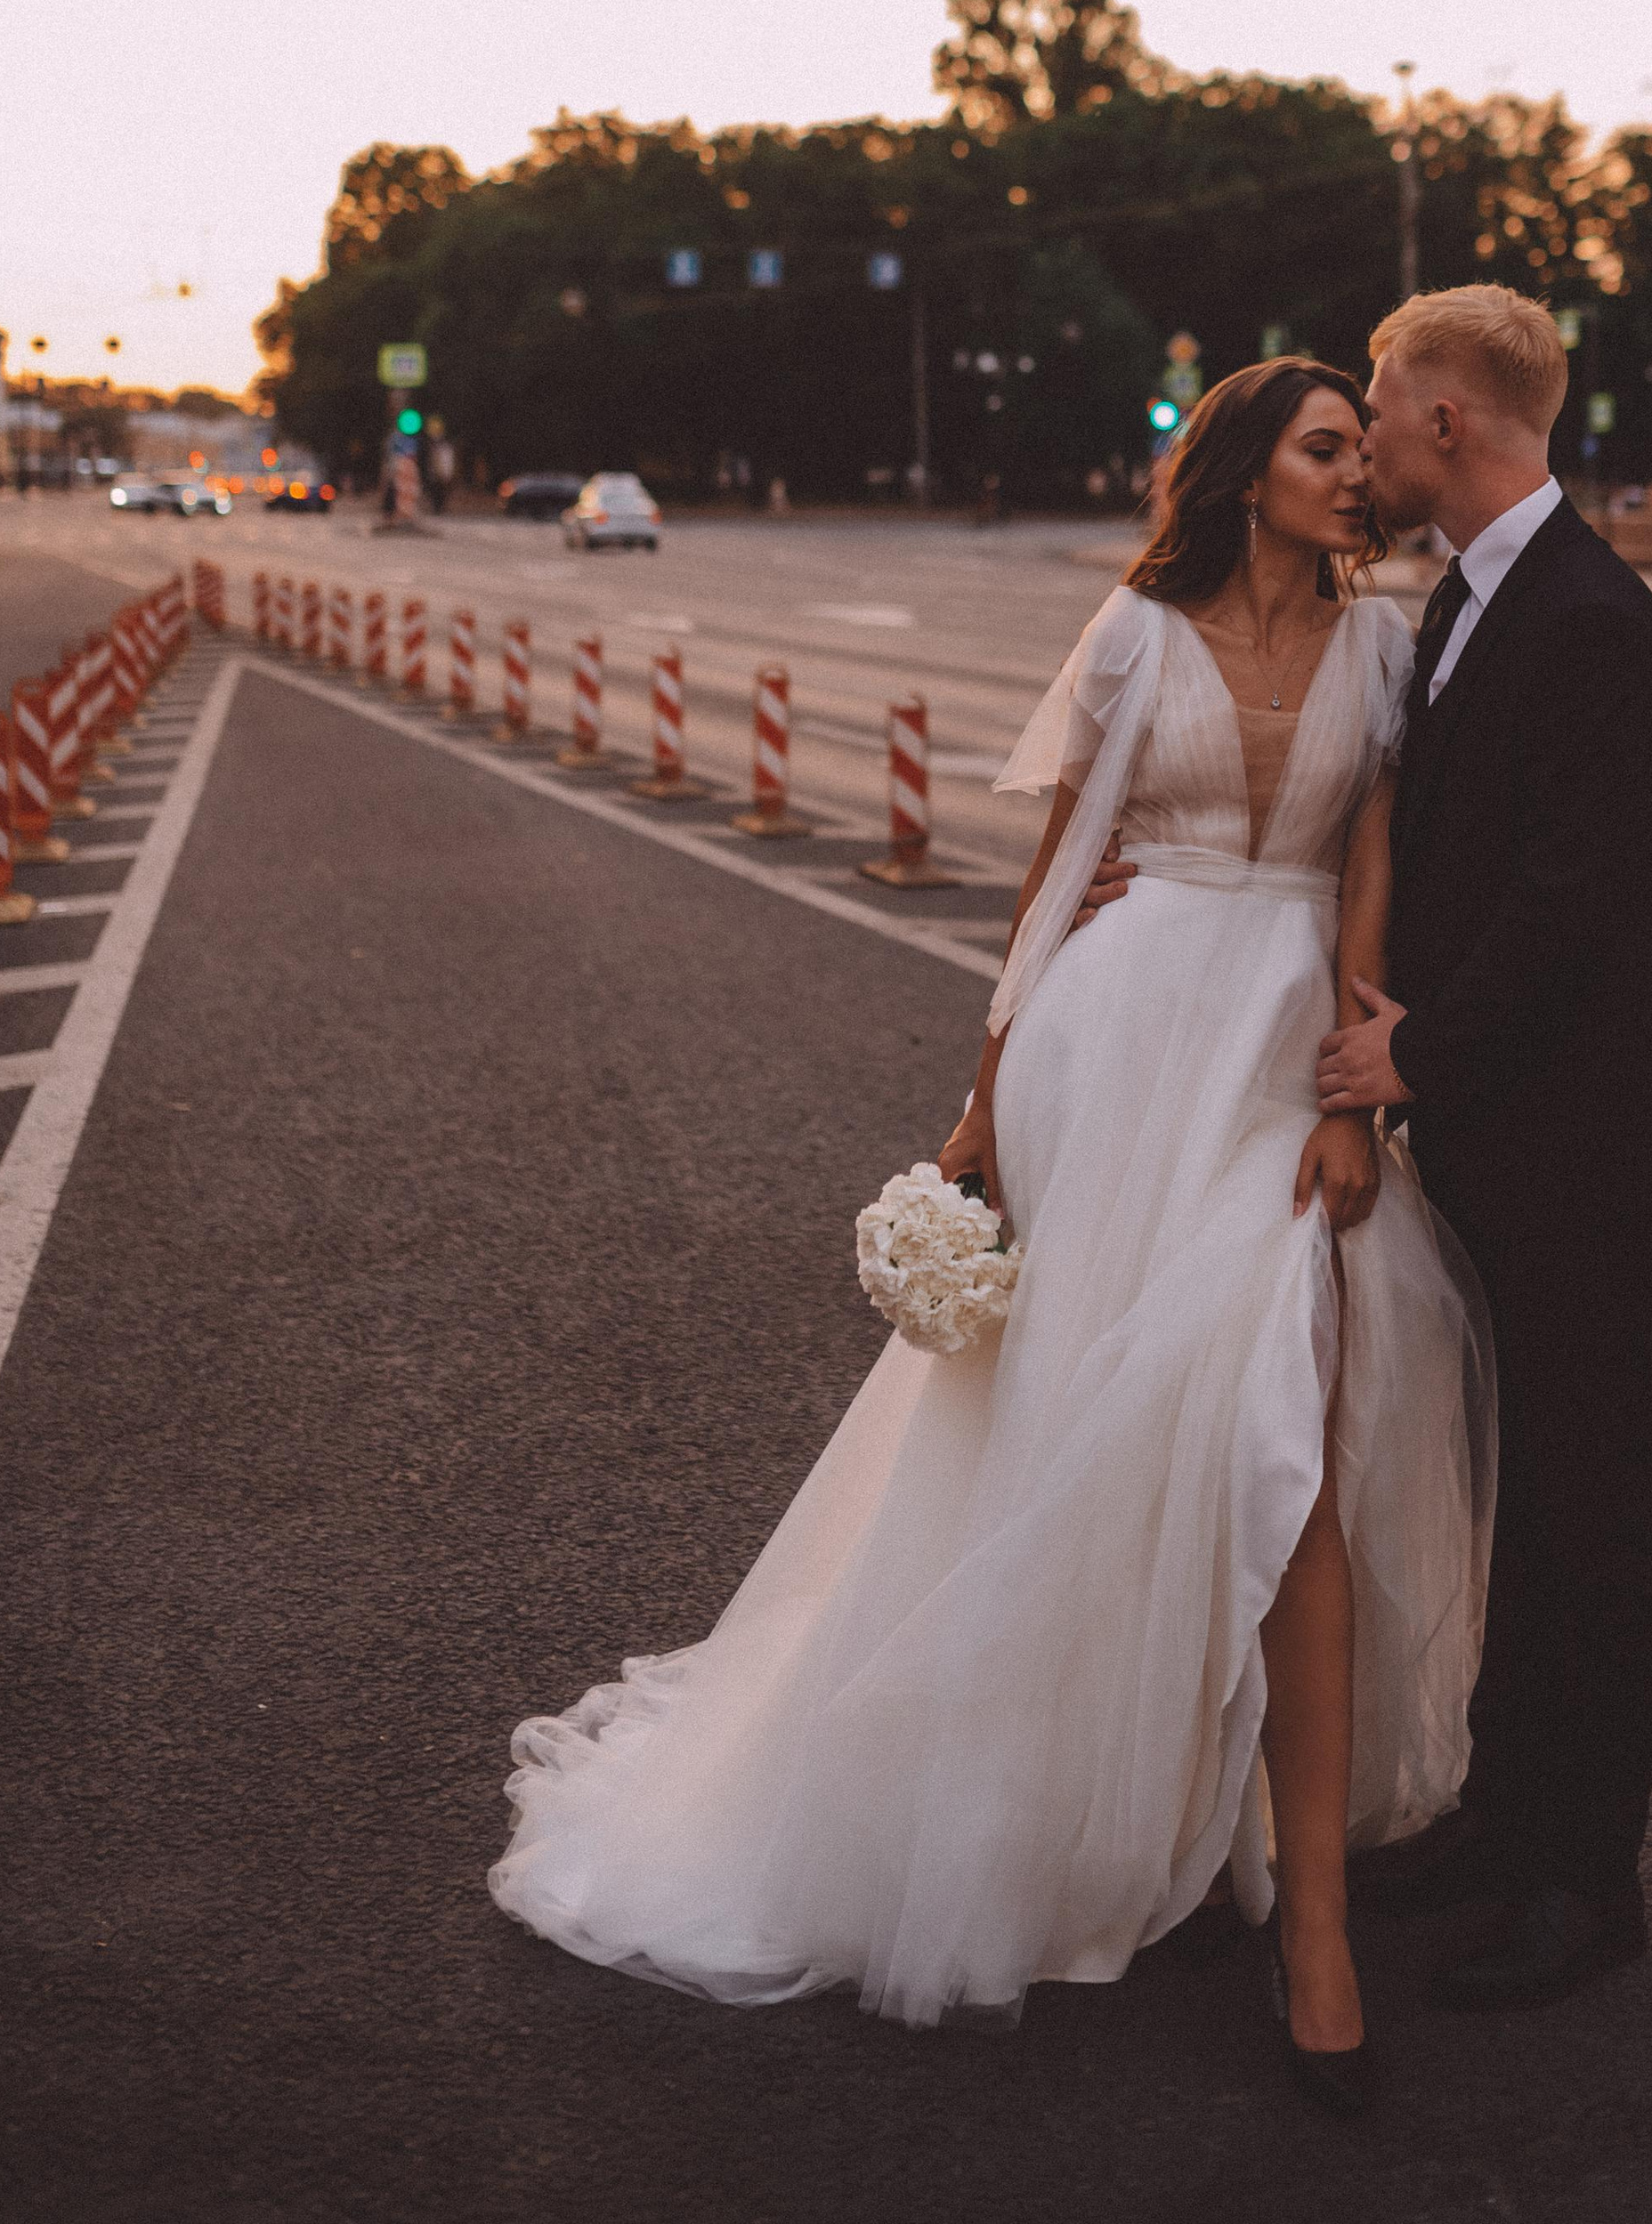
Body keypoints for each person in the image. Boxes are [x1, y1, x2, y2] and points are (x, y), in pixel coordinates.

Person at [490, 361, 1492, 2115]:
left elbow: (1367, 884)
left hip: (1270, 1076)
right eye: (1324, 448)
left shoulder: (1382, 647)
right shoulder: (1133, 633)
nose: (1354, 476)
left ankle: (1313, 1930)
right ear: (1249, 469)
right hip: (1109, 1062)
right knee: (1068, 1445)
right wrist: (980, 1100)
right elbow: (1057, 871)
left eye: (1358, 450)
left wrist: (1354, 1100)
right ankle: (1048, 1815)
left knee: (1286, 1454)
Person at [1314, 286, 1652, 2006]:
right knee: (1522, 1493)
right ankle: (1504, 1811)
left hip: (1584, 1138)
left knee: (1591, 1499)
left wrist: (1415, 1048)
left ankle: (1589, 1874)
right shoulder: (1472, 598)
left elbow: (1577, 898)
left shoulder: (1591, 617)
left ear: (1452, 425)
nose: (1377, 437)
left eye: (1386, 410)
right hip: (1510, 1129)